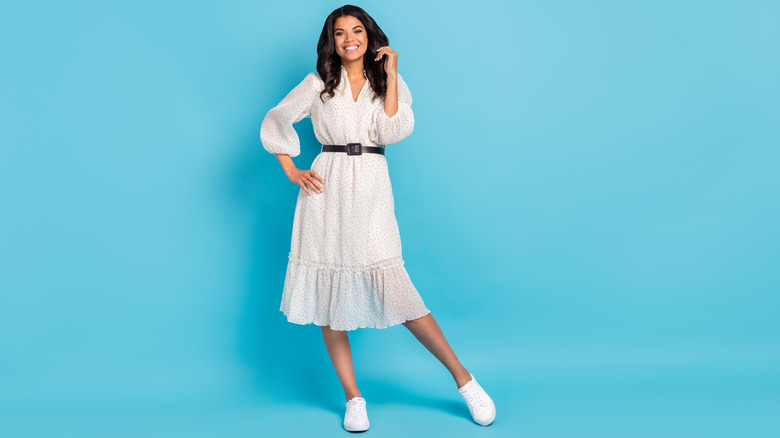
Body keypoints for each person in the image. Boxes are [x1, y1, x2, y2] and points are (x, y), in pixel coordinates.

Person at [260, 4, 496, 432]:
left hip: (370, 186)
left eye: (356, 30)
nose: (348, 38)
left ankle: (466, 381)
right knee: (329, 299)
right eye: (339, 32)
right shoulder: (318, 85)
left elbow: (392, 131)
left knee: (397, 289)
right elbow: (277, 119)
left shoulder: (389, 81)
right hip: (326, 189)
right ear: (331, 40)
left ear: (370, 37)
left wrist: (390, 70)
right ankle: (354, 399)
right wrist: (291, 168)